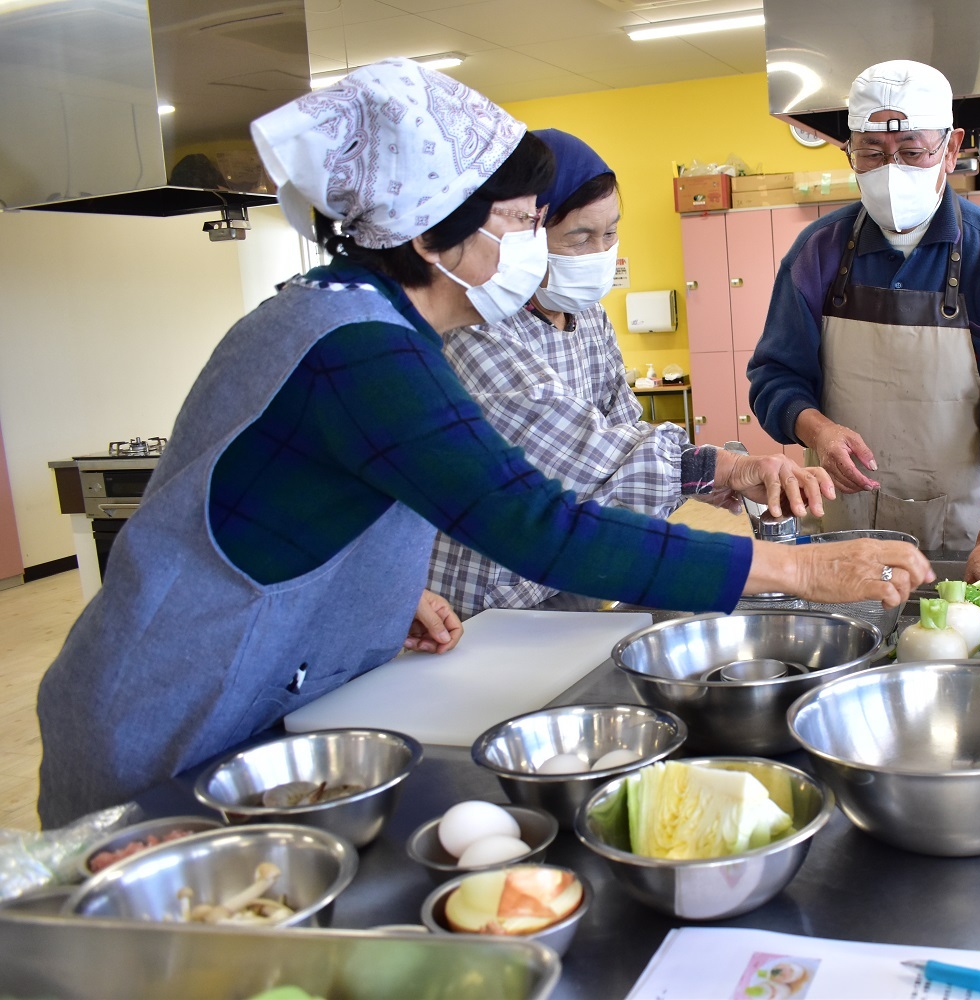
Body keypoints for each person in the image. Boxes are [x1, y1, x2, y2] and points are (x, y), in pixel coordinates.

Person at [33, 60, 930, 827]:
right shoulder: (361, 351)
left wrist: (378, 586)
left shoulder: (363, 320)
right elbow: (538, 524)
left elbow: (298, 499)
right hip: (177, 707)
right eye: (524, 223)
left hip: (244, 688)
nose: (542, 251)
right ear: (429, 232)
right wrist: (805, 574)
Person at [429, 129, 832, 617]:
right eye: (580, 237)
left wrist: (712, 479)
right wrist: (722, 469)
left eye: (611, 233)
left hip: (569, 563)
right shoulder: (477, 326)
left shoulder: (588, 317)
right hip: (492, 592)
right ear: (525, 236)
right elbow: (580, 453)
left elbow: (624, 429)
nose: (601, 251)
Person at [747, 59, 980, 585]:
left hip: (962, 535)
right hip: (842, 531)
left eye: (912, 152)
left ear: (952, 147)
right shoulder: (817, 253)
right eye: (871, 153)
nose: (891, 170)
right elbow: (775, 377)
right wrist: (817, 430)